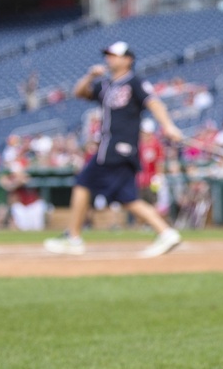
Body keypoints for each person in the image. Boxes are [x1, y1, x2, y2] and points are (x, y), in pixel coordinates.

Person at [44, 42, 185, 257]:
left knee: (83, 182)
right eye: (108, 55)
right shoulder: (107, 84)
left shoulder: (134, 82)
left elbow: (154, 103)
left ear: (128, 59)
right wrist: (90, 75)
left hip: (116, 147)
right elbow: (80, 92)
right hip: (114, 148)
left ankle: (73, 237)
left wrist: (167, 125)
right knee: (127, 198)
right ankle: (166, 233)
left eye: (115, 56)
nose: (109, 59)